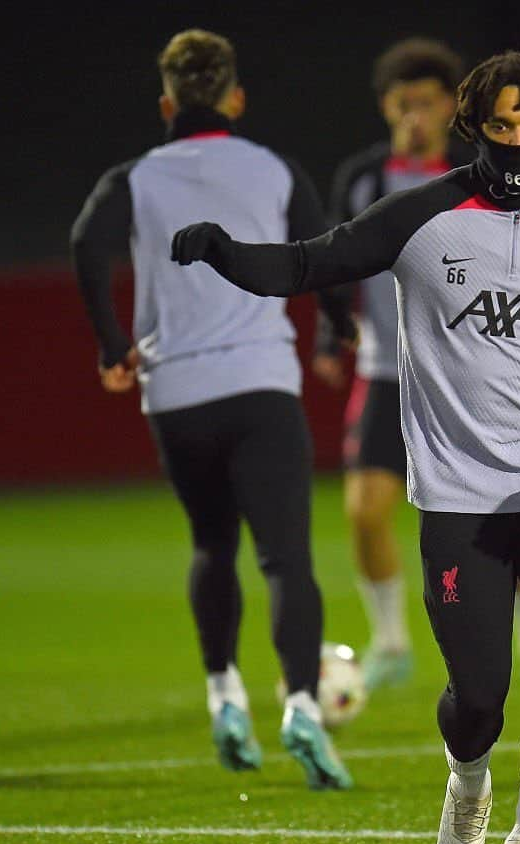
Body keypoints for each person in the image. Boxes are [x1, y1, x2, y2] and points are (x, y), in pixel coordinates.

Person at [170, 49, 520, 844]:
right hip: (458, 500)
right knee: (476, 697)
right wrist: (226, 252)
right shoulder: (421, 217)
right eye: (503, 125)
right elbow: (305, 263)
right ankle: (468, 788)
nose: (518, 141)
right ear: (473, 125)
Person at [70, 28, 354, 791]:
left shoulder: (134, 176)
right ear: (235, 98)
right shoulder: (273, 168)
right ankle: (300, 706)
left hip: (178, 393)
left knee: (210, 546)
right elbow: (324, 252)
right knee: (286, 557)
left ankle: (223, 693)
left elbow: (85, 244)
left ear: (167, 102)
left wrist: (111, 346)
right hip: (261, 382)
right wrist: (338, 324)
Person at [312, 37, 520, 690]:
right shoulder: (363, 178)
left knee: (507, 516)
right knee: (364, 511)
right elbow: (335, 257)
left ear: (449, 109)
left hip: (468, 373)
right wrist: (333, 334)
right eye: (403, 103)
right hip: (387, 371)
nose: (415, 115)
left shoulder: (478, 177)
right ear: (387, 108)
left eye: (427, 103)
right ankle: (389, 642)